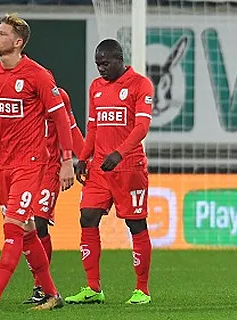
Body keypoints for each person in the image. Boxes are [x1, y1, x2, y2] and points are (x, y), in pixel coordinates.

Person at [0, 13, 75, 311]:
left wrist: (67, 161)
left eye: (2, 33)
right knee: (29, 230)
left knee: (13, 227)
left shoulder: (38, 75)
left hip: (31, 164)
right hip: (5, 166)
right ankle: (50, 295)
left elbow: (61, 118)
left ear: (18, 42)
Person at [64, 38, 154, 305]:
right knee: (87, 218)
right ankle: (93, 288)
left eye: (105, 64)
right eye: (97, 64)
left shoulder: (140, 84)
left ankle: (142, 289)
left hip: (129, 167)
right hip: (100, 169)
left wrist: (120, 153)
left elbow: (141, 127)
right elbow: (92, 127)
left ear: (119, 60)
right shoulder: (96, 87)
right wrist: (83, 157)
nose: (101, 69)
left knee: (136, 224)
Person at [0, 86, 84, 304]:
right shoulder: (19, 98)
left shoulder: (59, 97)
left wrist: (81, 161)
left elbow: (71, 128)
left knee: (38, 222)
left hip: (49, 169)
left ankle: (30, 289)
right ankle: (48, 291)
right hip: (19, 168)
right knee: (27, 229)